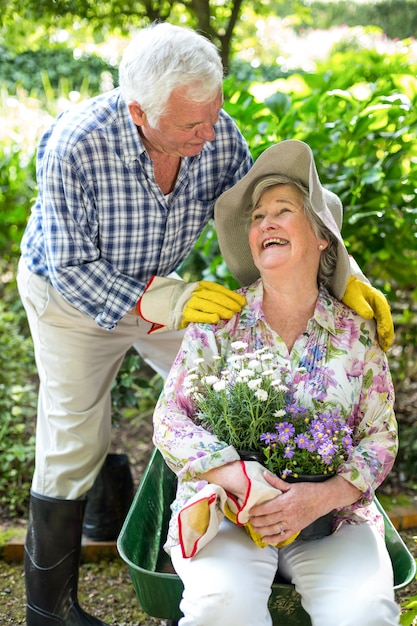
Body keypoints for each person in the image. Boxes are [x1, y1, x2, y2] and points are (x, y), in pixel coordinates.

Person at [17, 18, 392, 624]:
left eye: (213, 114)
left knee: (238, 391)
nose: (208, 132)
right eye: (190, 124)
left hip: (168, 290)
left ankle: (229, 542)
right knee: (74, 434)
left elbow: (267, 228)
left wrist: (345, 282)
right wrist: (167, 303)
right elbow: (70, 269)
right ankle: (48, 609)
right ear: (139, 112)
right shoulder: (77, 144)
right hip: (73, 299)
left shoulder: (215, 136)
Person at [153, 139, 399, 626]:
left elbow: (381, 435)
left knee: (364, 611)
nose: (264, 223)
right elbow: (169, 419)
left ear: (321, 236)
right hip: (230, 514)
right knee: (219, 607)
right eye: (258, 217)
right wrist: (234, 477)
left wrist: (322, 496)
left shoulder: (354, 330)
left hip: (330, 521)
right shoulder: (221, 322)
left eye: (282, 211)